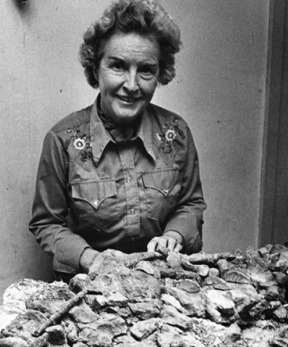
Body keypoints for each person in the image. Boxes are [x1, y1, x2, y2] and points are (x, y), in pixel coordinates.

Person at [29, 0, 205, 281]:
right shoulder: (61, 141)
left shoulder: (177, 132)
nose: (132, 85)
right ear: (95, 68)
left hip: (165, 282)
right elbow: (47, 223)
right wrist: (92, 260)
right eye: (118, 66)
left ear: (160, 73)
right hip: (90, 285)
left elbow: (191, 203)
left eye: (146, 69)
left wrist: (174, 235)